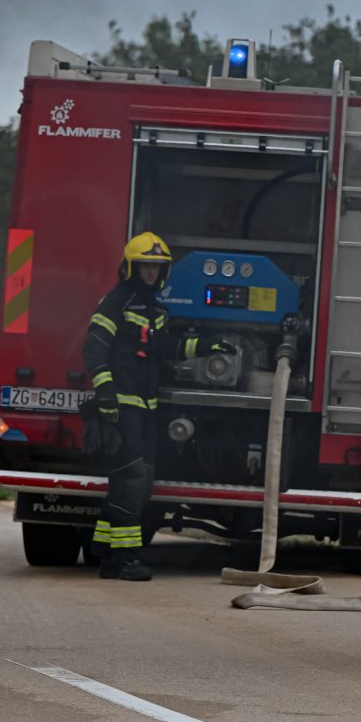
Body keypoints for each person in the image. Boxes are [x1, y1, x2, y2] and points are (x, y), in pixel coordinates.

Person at [82, 232, 234, 581]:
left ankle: (105, 553)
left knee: (140, 480)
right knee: (132, 481)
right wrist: (105, 393)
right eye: (145, 266)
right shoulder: (116, 302)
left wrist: (206, 346)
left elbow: (165, 347)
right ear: (131, 267)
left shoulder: (155, 308)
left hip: (145, 409)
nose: (151, 273)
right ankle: (127, 560)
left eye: (156, 267)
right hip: (121, 408)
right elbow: (94, 347)